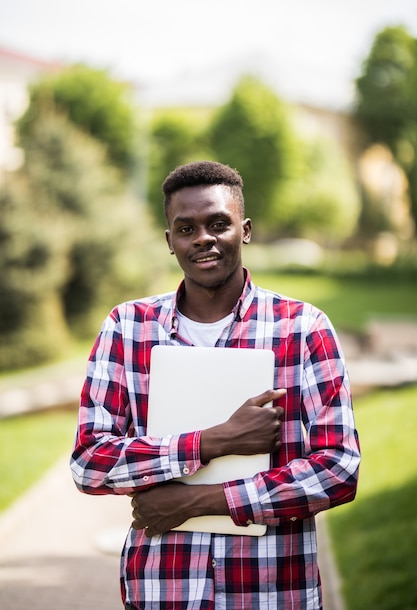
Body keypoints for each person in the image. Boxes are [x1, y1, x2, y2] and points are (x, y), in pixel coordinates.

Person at [70, 160, 360, 610]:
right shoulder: (127, 327)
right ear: (170, 242)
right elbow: (89, 461)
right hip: (162, 588)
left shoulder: (304, 328)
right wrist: (211, 442)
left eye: (218, 223)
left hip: (272, 591)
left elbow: (338, 470)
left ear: (244, 230)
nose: (202, 238)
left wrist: (200, 501)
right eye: (186, 228)